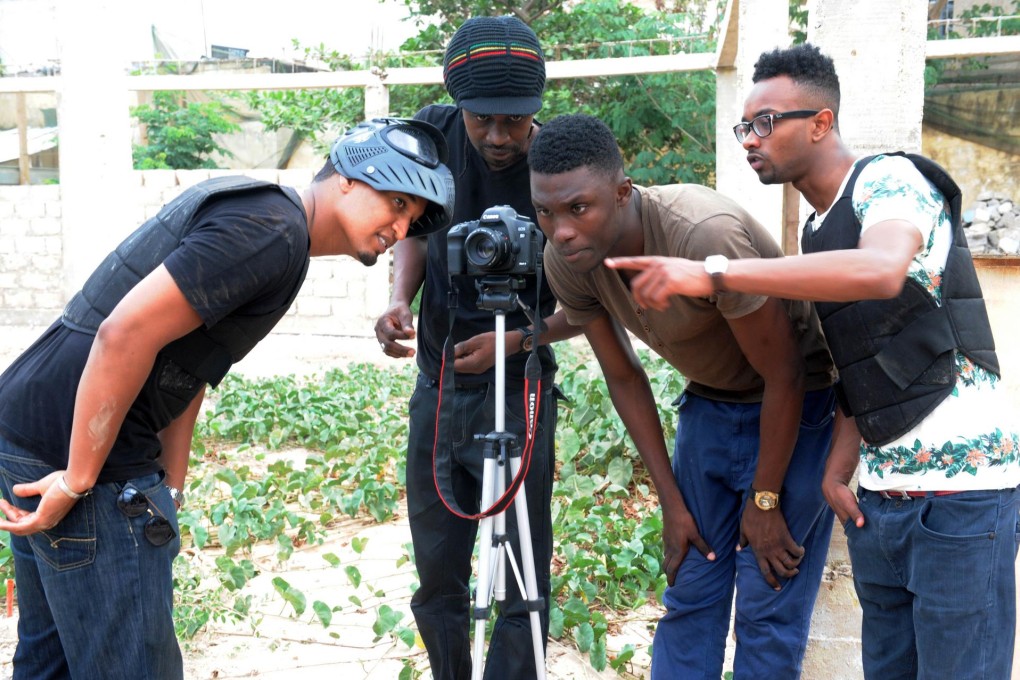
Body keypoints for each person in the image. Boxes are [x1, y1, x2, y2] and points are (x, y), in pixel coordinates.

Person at [608, 43, 1020, 679]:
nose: (751, 138)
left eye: (767, 121)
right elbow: (862, 350)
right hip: (882, 498)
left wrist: (714, 271)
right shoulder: (818, 229)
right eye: (745, 125)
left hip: (962, 497)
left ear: (822, 122)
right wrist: (839, 465)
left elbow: (883, 271)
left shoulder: (890, 180)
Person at [0, 117, 454, 680]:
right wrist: (79, 478)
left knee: (53, 662)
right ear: (345, 177)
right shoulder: (272, 231)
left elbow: (187, 365)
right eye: (395, 201)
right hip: (80, 450)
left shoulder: (268, 221)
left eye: (412, 219)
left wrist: (173, 484)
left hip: (33, 424)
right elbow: (124, 334)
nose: (401, 226)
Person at [527, 112, 838, 679]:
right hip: (710, 407)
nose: (561, 229)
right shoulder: (566, 259)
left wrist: (765, 501)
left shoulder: (702, 233)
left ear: (622, 193)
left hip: (799, 411)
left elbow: (787, 375)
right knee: (689, 589)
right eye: (545, 212)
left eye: (578, 208)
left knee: (768, 604)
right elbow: (624, 376)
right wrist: (671, 502)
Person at [373, 15, 578, 680]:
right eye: (481, 119)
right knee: (437, 572)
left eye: (514, 122)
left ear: (536, 113)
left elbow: (597, 302)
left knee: (522, 575)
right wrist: (400, 299)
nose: (496, 137)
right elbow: (413, 224)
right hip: (439, 388)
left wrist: (516, 341)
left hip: (519, 386)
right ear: (457, 106)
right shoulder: (433, 132)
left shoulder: (563, 167)